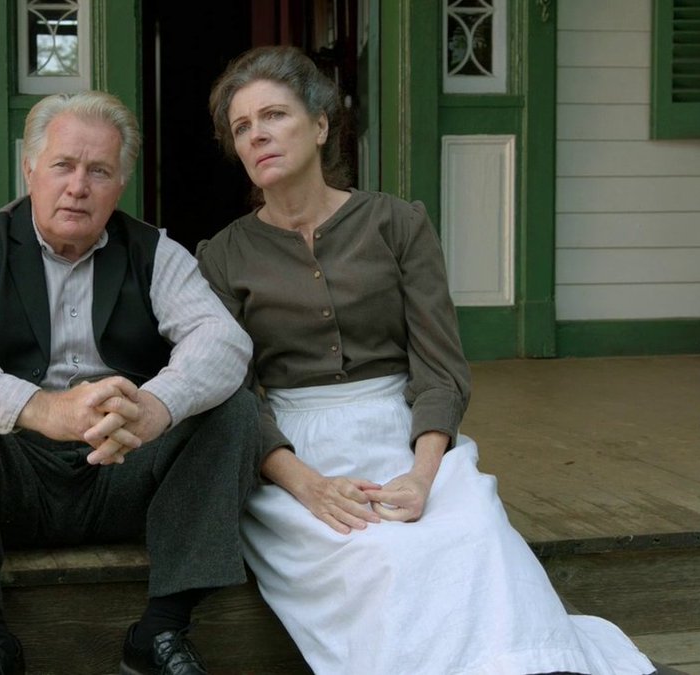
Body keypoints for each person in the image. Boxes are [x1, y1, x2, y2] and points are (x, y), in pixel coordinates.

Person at [196, 46, 656, 675]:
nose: (258, 136)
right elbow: (235, 393)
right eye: (243, 127)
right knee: (378, 559)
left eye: (273, 115)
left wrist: (422, 473)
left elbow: (438, 366)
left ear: (322, 124)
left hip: (404, 431)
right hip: (291, 456)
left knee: (472, 533)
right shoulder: (221, 255)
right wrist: (306, 484)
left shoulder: (397, 223)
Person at [0, 90, 261, 675]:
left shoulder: (155, 251)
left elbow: (224, 342)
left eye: (99, 171)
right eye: (62, 165)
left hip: (124, 468)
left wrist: (156, 406)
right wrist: (39, 408)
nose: (78, 186)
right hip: (9, 479)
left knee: (231, 408)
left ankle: (160, 632)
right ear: (30, 168)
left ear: (120, 184)